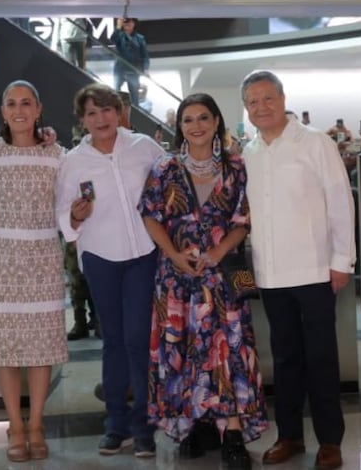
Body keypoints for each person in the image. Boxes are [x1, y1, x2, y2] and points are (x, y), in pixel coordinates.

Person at [139, 93, 267, 469]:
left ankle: (232, 433)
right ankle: (193, 424)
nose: (196, 125)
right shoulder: (164, 169)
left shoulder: (236, 168)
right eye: (188, 119)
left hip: (224, 277)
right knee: (183, 351)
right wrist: (176, 256)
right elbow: (150, 216)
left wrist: (217, 252)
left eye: (203, 118)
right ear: (179, 126)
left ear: (216, 122)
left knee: (229, 352)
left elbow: (243, 220)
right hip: (176, 281)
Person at [239, 71, 354, 470]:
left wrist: (342, 261)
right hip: (271, 275)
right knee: (285, 359)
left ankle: (330, 441)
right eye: (252, 102)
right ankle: (289, 435)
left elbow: (340, 202)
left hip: (316, 270)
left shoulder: (315, 142)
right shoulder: (247, 152)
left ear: (283, 98)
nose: (261, 107)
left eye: (267, 98)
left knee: (322, 357)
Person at [55, 83, 164, 458]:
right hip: (100, 257)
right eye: (91, 113)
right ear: (82, 120)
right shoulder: (73, 160)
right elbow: (62, 212)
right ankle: (116, 424)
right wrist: (73, 215)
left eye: (106, 110)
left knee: (138, 339)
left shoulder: (144, 147)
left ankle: (144, 426)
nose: (100, 119)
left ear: (119, 112)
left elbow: (171, 188)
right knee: (113, 341)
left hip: (143, 255)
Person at [0, 80, 67, 462]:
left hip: (43, 257)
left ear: (38, 108)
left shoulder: (57, 154)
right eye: (11, 104)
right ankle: (14, 424)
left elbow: (67, 204)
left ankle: (37, 423)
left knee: (41, 349)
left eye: (26, 102)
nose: (19, 109)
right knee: (6, 350)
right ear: (3, 112)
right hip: (3, 261)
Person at [111, 17, 150, 100]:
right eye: (126, 22)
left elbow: (145, 55)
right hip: (120, 68)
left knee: (134, 93)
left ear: (134, 24)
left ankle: (135, 111)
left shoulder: (139, 38)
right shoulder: (119, 36)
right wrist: (118, 26)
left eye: (130, 22)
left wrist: (146, 69)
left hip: (134, 69)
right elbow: (113, 39)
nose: (128, 24)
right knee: (115, 91)